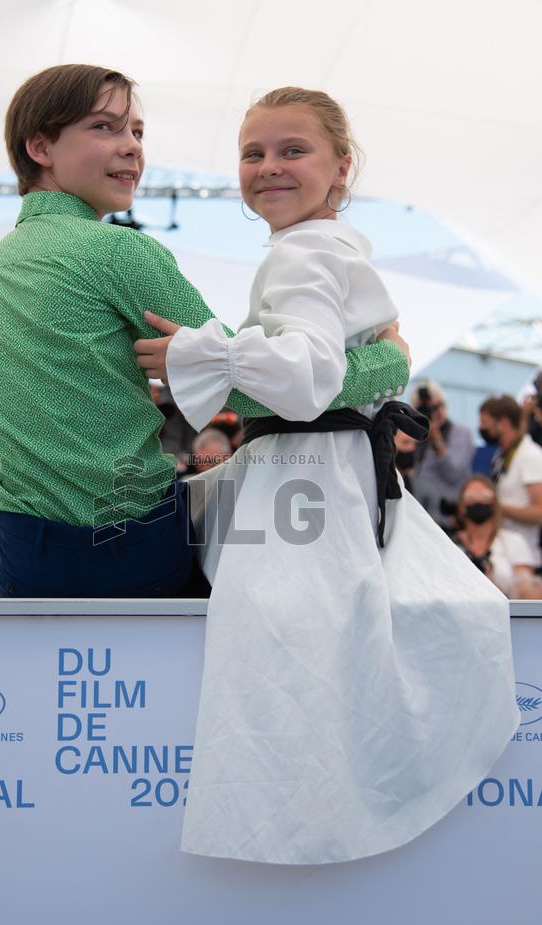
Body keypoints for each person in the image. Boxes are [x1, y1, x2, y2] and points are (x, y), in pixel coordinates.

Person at [136, 86, 518, 865]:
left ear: (341, 167)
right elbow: (343, 366)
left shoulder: (304, 251)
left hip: (302, 479)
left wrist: (203, 356)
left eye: (291, 150)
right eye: (253, 153)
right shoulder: (326, 245)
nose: (268, 167)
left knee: (282, 644)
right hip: (323, 472)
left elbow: (308, 374)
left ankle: (294, 823)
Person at [0, 64, 410, 599]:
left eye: (136, 132)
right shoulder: (122, 253)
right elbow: (254, 388)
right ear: (40, 147)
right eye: (105, 128)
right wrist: (389, 361)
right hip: (135, 550)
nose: (132, 147)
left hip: (18, 559)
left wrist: (33, 532)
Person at [480, 394, 542, 568]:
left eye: (486, 422)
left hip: (525, 559)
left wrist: (498, 508)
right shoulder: (501, 456)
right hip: (502, 555)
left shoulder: (530, 456)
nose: (482, 427)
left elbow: (540, 513)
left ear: (503, 423)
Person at [408, 380, 474, 530]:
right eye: (427, 409)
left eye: (437, 406)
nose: (434, 413)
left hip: (449, 520)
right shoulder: (414, 438)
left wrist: (437, 440)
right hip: (420, 517)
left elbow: (454, 473)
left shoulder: (461, 433)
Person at [454, 474, 534, 595]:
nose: (478, 501)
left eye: (484, 496)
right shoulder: (450, 542)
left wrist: (491, 579)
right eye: (471, 497)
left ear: (494, 503)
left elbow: (527, 594)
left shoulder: (514, 541)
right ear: (461, 505)